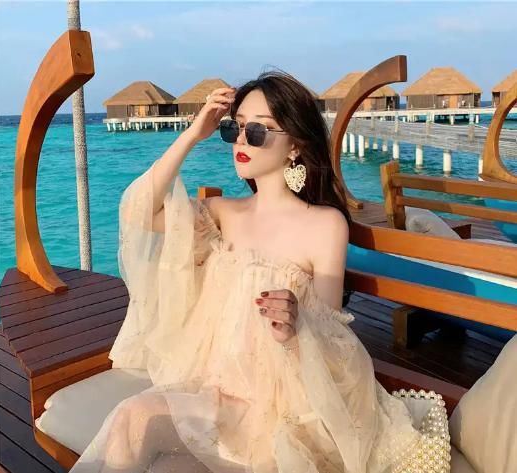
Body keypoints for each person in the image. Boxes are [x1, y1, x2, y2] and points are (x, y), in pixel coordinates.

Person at [69, 71, 451, 473]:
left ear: (295, 146)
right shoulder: (222, 215)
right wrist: (194, 134)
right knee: (130, 417)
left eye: (257, 131)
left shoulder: (324, 226)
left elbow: (334, 338)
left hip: (283, 405)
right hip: (213, 392)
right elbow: (137, 212)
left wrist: (296, 326)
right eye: (235, 128)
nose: (241, 140)